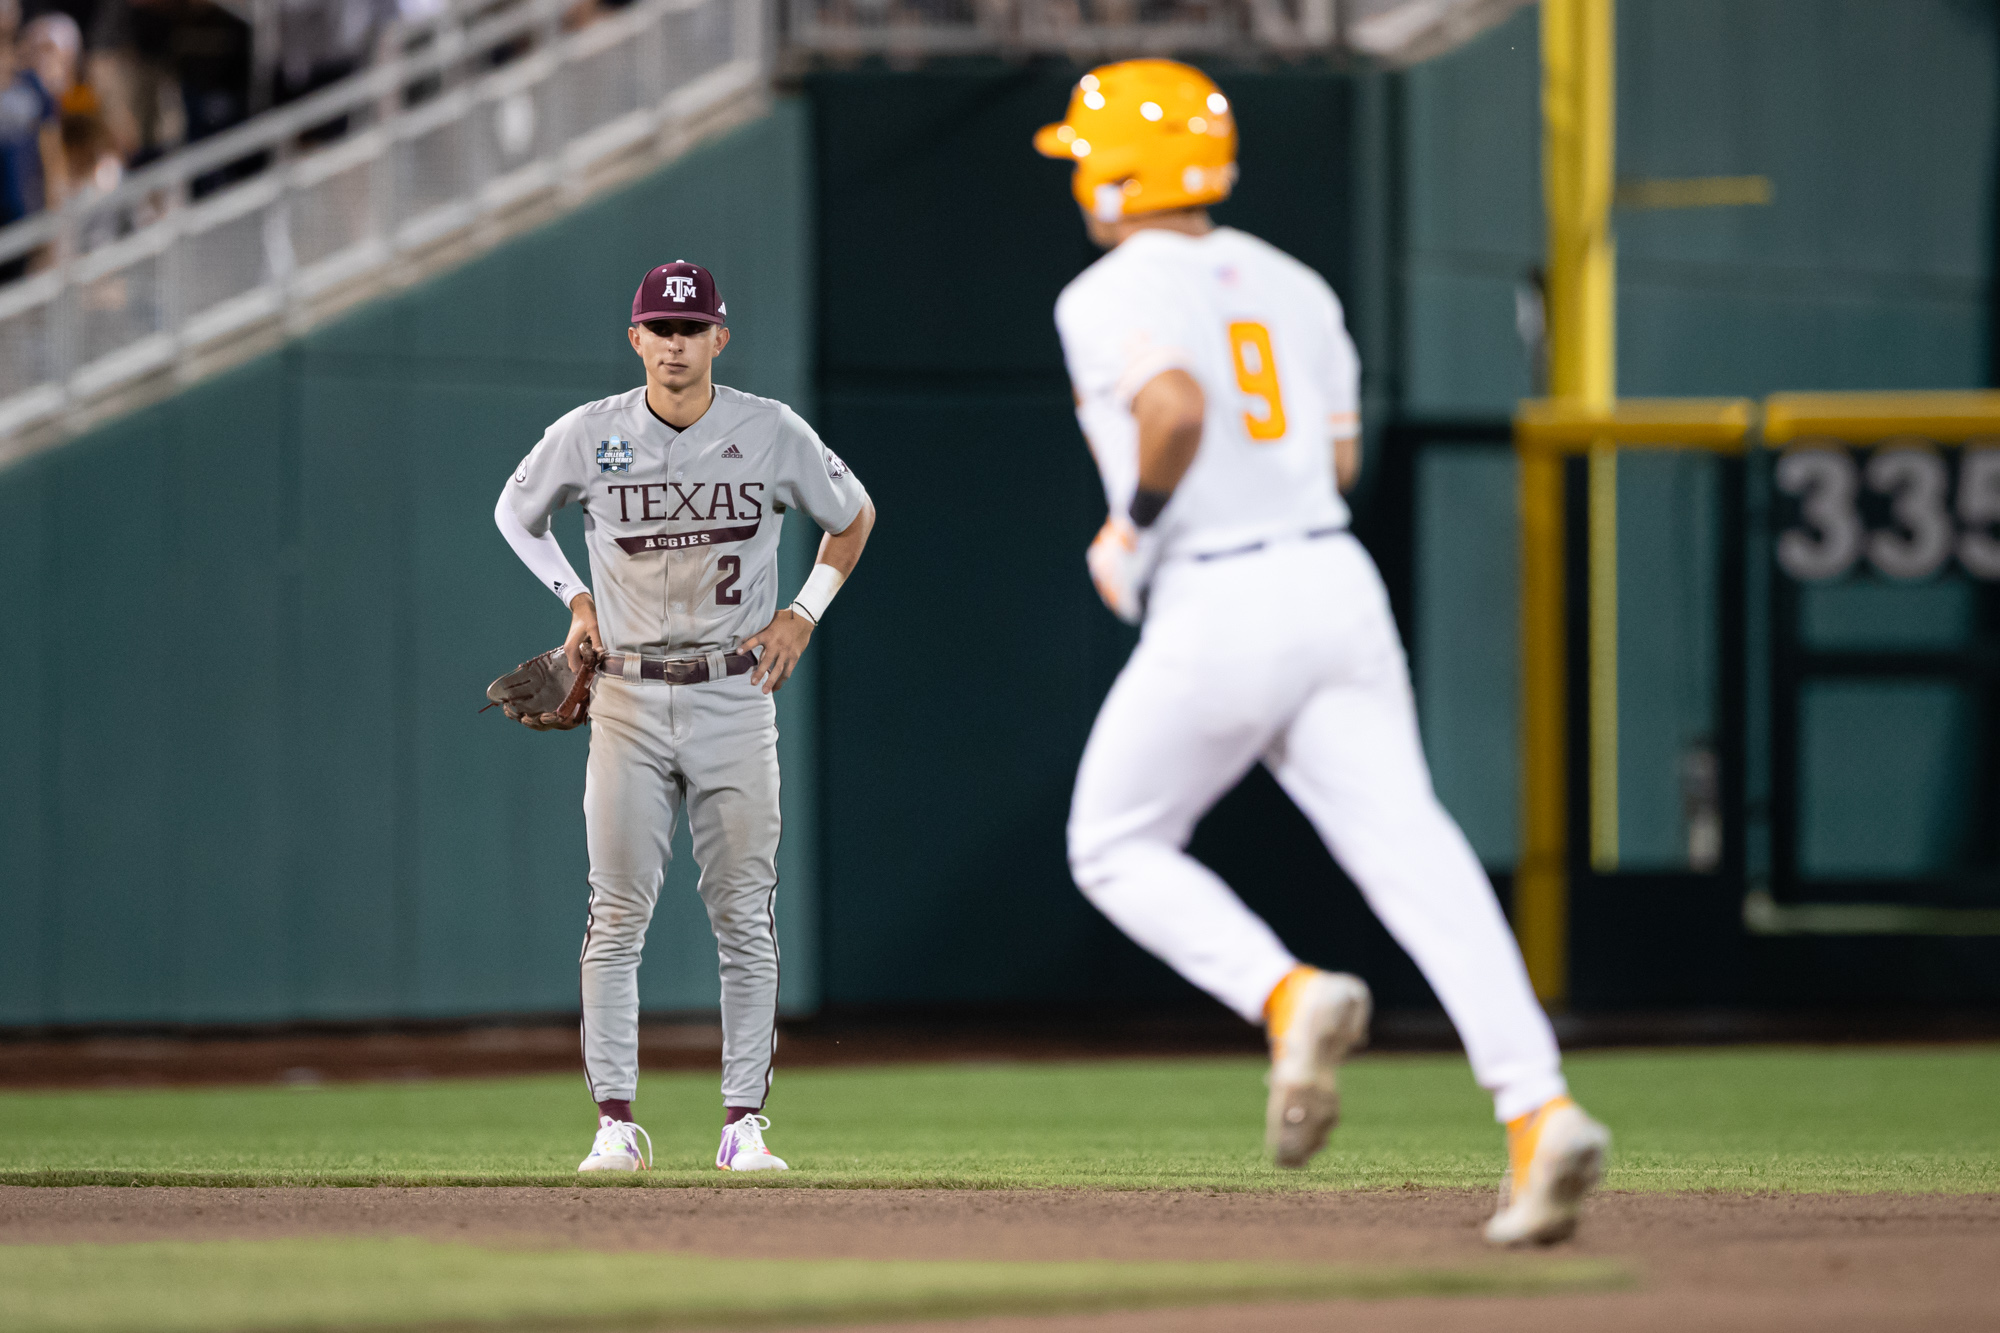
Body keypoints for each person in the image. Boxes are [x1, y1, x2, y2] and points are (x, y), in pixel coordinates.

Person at [1037, 59, 1610, 1245]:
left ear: (1117, 169)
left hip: (1217, 588)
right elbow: (1339, 458)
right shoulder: (1294, 284)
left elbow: (1176, 408)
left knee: (1113, 843)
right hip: (1331, 577)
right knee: (1416, 855)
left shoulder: (1105, 290)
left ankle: (1289, 993)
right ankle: (1535, 1109)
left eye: (1087, 154)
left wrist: (1125, 525)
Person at [495, 260, 875, 1174]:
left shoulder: (769, 429)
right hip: (624, 690)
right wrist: (575, 600)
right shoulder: (591, 434)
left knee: (743, 914)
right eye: (660, 329)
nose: (675, 343)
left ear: (719, 338)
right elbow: (516, 513)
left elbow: (852, 515)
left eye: (692, 327)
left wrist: (805, 611)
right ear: (636, 339)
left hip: (733, 690)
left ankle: (744, 1122)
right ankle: (614, 1124)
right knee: (616, 912)